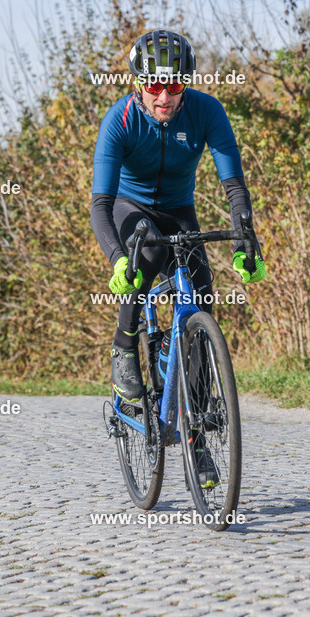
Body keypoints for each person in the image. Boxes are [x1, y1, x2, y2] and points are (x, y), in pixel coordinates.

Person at [90, 29, 266, 487]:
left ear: (185, 83)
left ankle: (199, 439)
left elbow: (234, 187)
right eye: (154, 86)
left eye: (174, 86)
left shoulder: (207, 111)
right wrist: (116, 259)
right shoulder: (121, 120)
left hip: (179, 211)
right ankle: (125, 347)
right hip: (131, 210)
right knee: (144, 255)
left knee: (201, 297)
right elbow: (100, 206)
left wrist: (246, 240)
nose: (164, 96)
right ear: (138, 85)